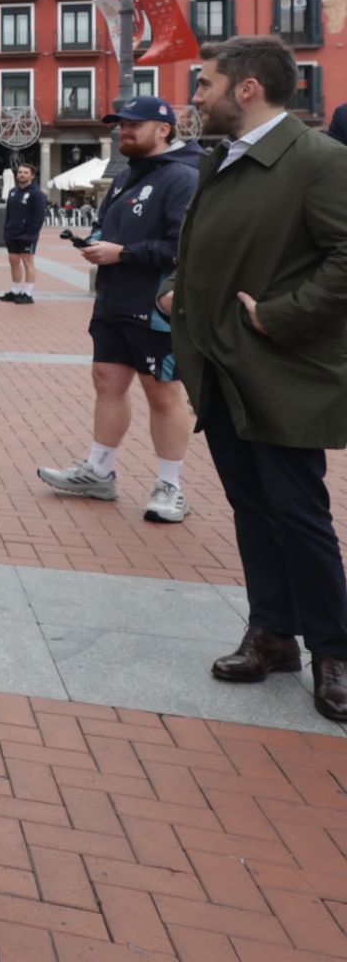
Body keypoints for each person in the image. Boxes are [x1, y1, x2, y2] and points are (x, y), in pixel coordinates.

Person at [167, 37, 347, 722]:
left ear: (247, 88)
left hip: (283, 371)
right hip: (222, 367)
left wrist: (282, 317)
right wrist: (176, 287)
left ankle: (334, 650)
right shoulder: (224, 161)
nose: (196, 94)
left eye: (205, 83)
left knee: (300, 517)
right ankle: (273, 633)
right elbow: (206, 242)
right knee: (253, 509)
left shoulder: (320, 161)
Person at [37, 97, 201, 522]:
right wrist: (95, 242)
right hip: (113, 301)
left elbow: (183, 246)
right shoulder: (126, 176)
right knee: (107, 381)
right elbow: (106, 226)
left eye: (133, 125)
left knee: (163, 393)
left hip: (156, 304)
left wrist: (123, 253)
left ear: (163, 129)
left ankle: (171, 486)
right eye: (120, 125)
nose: (122, 131)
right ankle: (99, 471)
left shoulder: (184, 177)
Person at [0, 162, 48, 302]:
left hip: (27, 235)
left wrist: (31, 235)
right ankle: (15, 291)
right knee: (13, 261)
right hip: (11, 234)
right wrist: (6, 230)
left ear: (32, 176)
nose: (22, 174)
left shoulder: (37, 194)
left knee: (28, 262)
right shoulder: (13, 192)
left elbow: (39, 217)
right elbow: (9, 213)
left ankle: (27, 294)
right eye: (20, 172)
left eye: (25, 172)